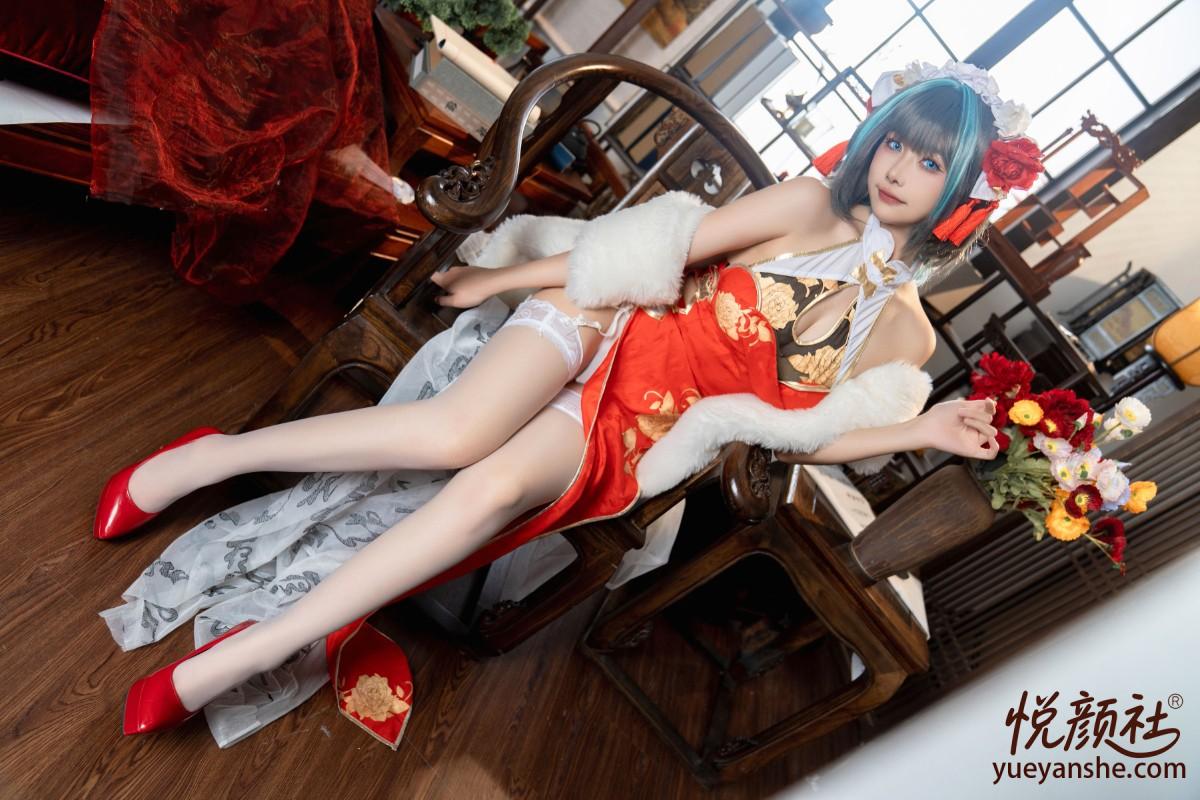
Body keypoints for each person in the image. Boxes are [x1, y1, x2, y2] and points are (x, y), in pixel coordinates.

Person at [97, 60, 1041, 747]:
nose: (896, 168)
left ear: (964, 190)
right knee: (456, 436)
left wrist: (921, 427)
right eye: (895, 142)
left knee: (488, 491)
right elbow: (652, 254)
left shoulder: (904, 337)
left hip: (643, 421)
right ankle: (210, 455)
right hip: (610, 320)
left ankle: (235, 659)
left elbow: (801, 434)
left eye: (928, 163)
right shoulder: (805, 206)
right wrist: (509, 275)